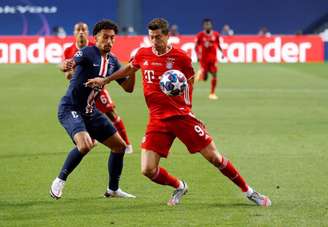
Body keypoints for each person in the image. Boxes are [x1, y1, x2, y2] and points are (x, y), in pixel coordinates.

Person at [86, 18, 271, 207]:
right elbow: (129, 68)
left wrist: (187, 106)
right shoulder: (142, 54)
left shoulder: (180, 57)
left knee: (215, 157)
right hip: (157, 120)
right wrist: (105, 80)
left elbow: (190, 80)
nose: (154, 42)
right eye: (151, 37)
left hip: (181, 118)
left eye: (158, 37)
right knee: (148, 170)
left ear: (167, 36)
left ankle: (249, 192)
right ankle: (180, 186)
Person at [50, 19, 136, 199]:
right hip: (70, 107)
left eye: (112, 38)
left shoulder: (112, 61)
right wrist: (64, 65)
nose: (109, 41)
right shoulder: (88, 52)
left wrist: (133, 69)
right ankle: (60, 180)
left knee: (119, 146)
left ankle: (113, 189)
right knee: (85, 144)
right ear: (95, 37)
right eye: (105, 37)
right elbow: (69, 62)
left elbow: (128, 88)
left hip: (90, 112)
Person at [59, 22, 133, 154]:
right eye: (78, 30)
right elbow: (67, 72)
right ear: (74, 32)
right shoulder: (69, 50)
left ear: (89, 33)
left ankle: (126, 144)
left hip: (99, 90)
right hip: (81, 92)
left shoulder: (96, 47)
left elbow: (108, 68)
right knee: (84, 117)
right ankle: (90, 139)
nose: (81, 32)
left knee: (111, 113)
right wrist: (67, 68)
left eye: (84, 29)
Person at [195, 18, 223, 100]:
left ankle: (212, 93)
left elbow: (218, 44)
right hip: (204, 60)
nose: (207, 26)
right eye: (206, 24)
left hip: (213, 60)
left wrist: (222, 53)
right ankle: (201, 74)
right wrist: (197, 55)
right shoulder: (200, 35)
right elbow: (196, 46)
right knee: (205, 78)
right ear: (203, 26)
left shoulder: (216, 34)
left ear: (211, 25)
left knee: (214, 75)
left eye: (209, 24)